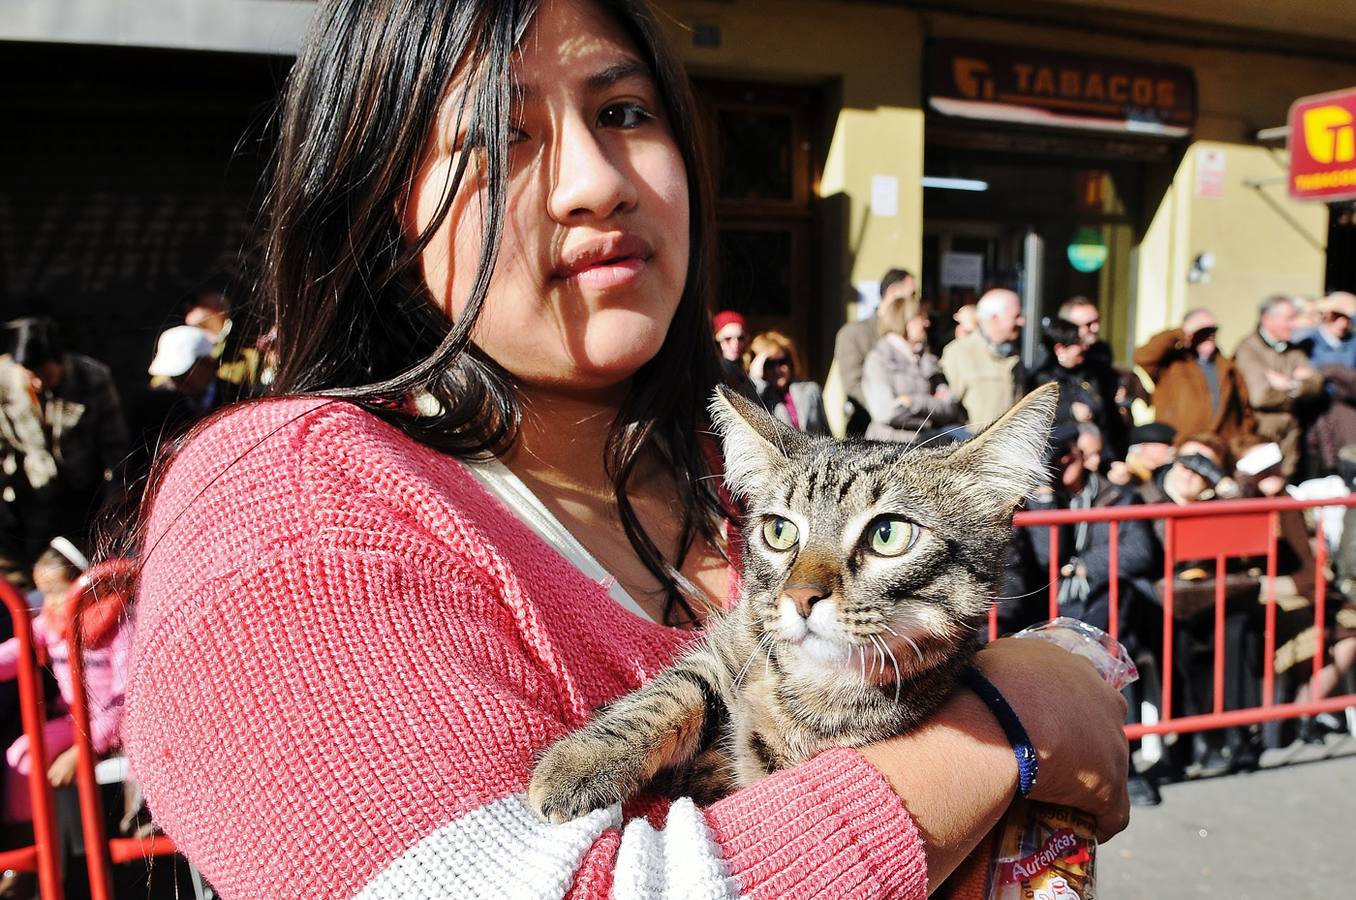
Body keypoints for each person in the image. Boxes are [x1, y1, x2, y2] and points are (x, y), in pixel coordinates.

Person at [122, 3, 1130, 897]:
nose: (596, 183)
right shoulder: (294, 503)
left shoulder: (718, 466)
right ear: (381, 210)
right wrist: (1010, 724)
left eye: (625, 113)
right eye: (494, 134)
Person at [0, 544, 131, 820]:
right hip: (76, 721)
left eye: (56, 593)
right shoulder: (53, 622)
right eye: (44, 593)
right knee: (22, 757)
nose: (48, 603)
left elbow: (123, 700)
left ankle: (50, 848)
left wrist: (82, 751)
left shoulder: (117, 624)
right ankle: (32, 840)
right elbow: (19, 649)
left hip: (113, 727)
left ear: (86, 583)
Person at [0, 317, 129, 589]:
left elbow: (115, 448)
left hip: (86, 494)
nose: (36, 382)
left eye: (45, 374)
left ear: (61, 360)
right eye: (28, 373)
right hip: (31, 497)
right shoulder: (4, 383)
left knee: (89, 574)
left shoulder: (92, 378)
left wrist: (113, 505)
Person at [1132, 308, 1255, 460]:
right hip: (1180, 447)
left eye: (1213, 330)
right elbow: (1142, 356)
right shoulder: (1173, 364)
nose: (1209, 335)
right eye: (1203, 330)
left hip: (1219, 451)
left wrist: (1237, 442)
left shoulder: (1229, 368)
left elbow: (1246, 412)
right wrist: (1180, 333)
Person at [1233, 295, 1323, 479]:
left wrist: (1288, 384)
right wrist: (1299, 386)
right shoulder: (1248, 348)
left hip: (1290, 439)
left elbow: (1316, 385)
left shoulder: (1293, 350)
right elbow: (1260, 396)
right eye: (1289, 319)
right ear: (1267, 319)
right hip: (1261, 434)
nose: (1294, 324)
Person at [861, 294, 964, 444]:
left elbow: (949, 407)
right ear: (903, 320)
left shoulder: (927, 359)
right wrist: (931, 409)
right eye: (920, 317)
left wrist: (912, 401)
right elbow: (886, 413)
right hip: (888, 447)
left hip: (928, 443)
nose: (927, 323)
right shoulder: (879, 360)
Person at [833, 268, 916, 435]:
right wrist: (889, 409)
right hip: (867, 432)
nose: (916, 300)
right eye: (912, 293)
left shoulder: (913, 334)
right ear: (893, 292)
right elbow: (853, 384)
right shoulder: (854, 333)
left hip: (910, 428)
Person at [940, 288, 1024, 430]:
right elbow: (945, 410)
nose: (1022, 321)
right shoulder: (959, 352)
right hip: (973, 447)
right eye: (1016, 316)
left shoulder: (1013, 356)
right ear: (994, 318)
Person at [1299, 292, 1356, 475]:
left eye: (1348, 318)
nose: (1343, 323)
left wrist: (1332, 371)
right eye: (1338, 317)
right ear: (1327, 316)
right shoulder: (1307, 342)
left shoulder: (1352, 344)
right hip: (1312, 417)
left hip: (1345, 416)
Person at [746, 331, 828, 435]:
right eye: (769, 364)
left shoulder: (811, 390)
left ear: (791, 362)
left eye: (782, 362)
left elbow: (826, 432)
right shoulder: (758, 397)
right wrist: (755, 379)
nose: (777, 370)